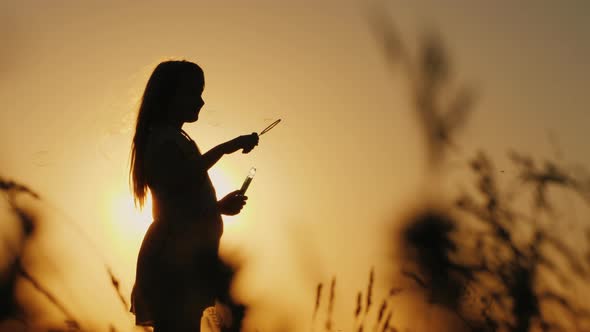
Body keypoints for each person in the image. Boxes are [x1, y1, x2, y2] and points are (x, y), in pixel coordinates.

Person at [128, 60, 258, 331]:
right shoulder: (163, 139)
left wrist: (217, 208)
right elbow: (182, 178)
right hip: (172, 262)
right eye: (193, 92)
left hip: (183, 260)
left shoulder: (174, 138)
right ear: (168, 95)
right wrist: (226, 148)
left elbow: (180, 200)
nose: (200, 101)